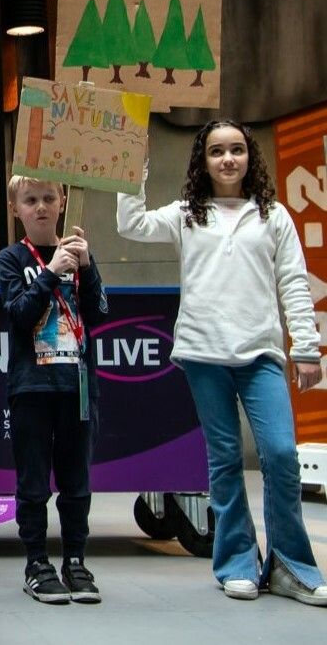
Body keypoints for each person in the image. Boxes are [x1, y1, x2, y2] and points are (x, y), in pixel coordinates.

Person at [117, 120, 327, 606]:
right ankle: (236, 563)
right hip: (203, 353)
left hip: (262, 355)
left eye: (236, 150)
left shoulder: (273, 216)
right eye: (217, 152)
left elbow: (294, 282)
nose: (228, 159)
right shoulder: (187, 214)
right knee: (225, 460)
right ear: (203, 161)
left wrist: (306, 348)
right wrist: (134, 166)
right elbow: (132, 224)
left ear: (250, 156)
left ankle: (291, 567)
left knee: (280, 455)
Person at [0, 176, 108, 605]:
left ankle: (76, 560)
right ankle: (37, 562)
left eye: (48, 198)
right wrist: (51, 272)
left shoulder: (79, 254)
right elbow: (20, 316)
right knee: (34, 480)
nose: (40, 207)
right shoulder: (10, 258)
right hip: (32, 386)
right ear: (16, 209)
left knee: (77, 480)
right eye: (30, 200)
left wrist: (88, 265)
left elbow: (98, 314)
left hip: (77, 385)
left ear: (62, 202)